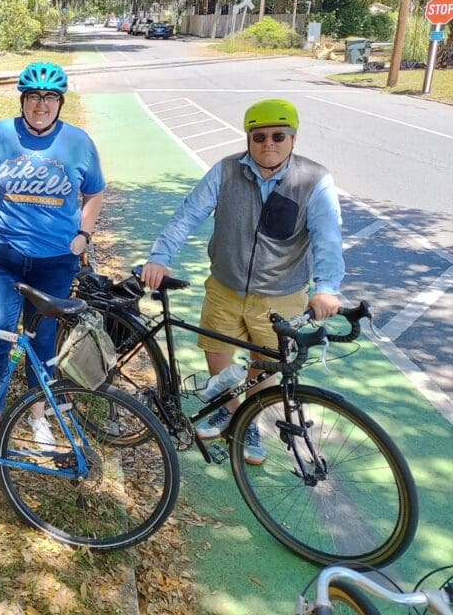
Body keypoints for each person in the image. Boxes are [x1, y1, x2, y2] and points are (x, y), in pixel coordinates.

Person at [140, 99, 344, 465]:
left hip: (280, 295)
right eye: (260, 136)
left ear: (292, 139)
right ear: (249, 138)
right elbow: (187, 215)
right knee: (216, 353)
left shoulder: (314, 180)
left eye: (279, 136)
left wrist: (326, 287)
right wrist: (160, 257)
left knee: (264, 365)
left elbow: (328, 238)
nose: (269, 143)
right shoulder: (226, 171)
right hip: (225, 286)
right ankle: (231, 410)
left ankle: (248, 418)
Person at [0, 61, 105, 443]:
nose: (40, 105)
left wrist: (84, 235)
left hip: (55, 262)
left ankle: (36, 413)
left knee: (43, 343)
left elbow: (94, 193)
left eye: (48, 98)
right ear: (22, 100)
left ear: (59, 102)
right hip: (4, 260)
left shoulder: (79, 143)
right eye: (32, 97)